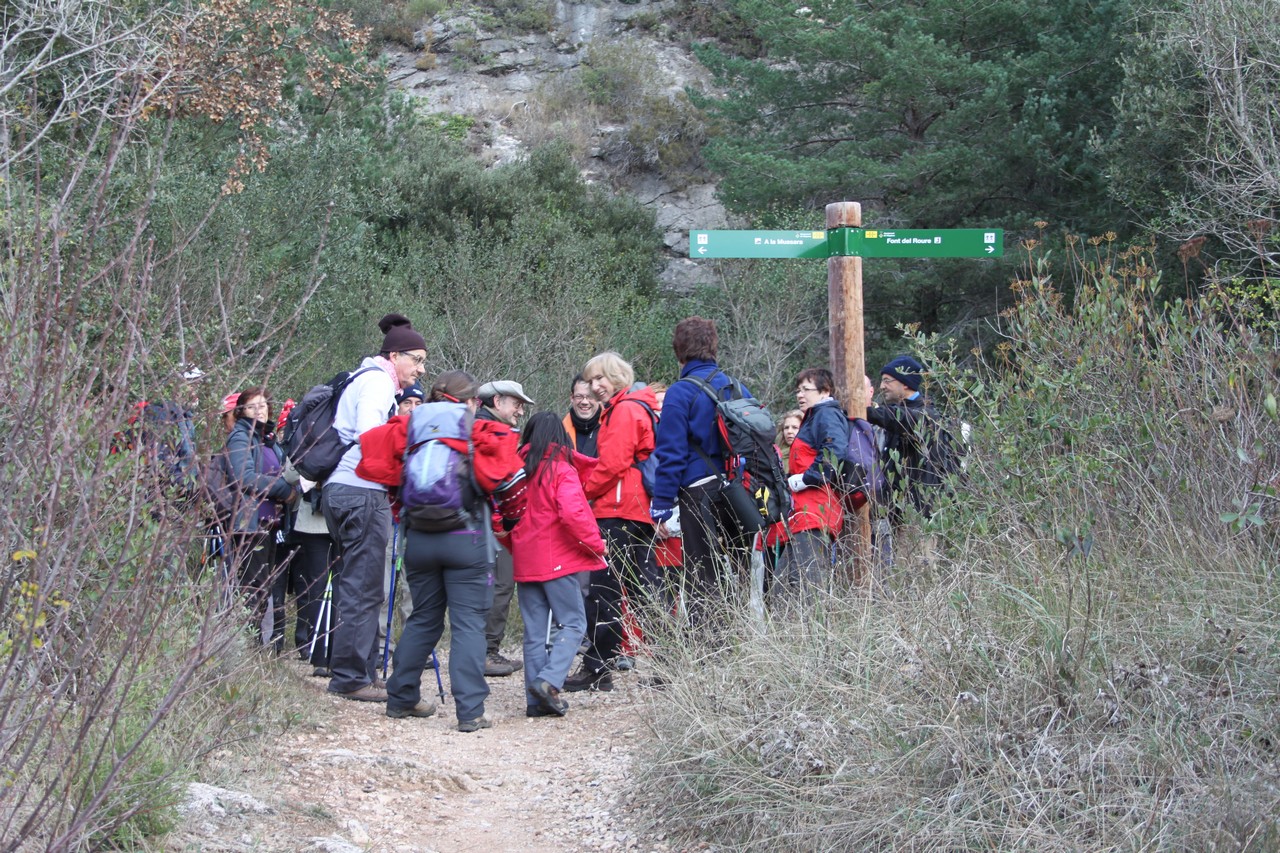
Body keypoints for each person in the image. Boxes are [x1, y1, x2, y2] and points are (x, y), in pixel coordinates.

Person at [373, 370, 527, 730]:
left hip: (419, 541)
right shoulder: (476, 431)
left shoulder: (410, 430)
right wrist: (509, 521)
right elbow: (511, 487)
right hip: (466, 539)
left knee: (423, 618)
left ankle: (401, 697)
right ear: (472, 401)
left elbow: (390, 483)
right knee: (468, 624)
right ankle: (470, 711)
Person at [321, 313, 427, 702]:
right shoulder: (379, 383)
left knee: (359, 584)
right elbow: (371, 436)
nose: (420, 369)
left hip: (343, 489)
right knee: (364, 588)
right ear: (395, 356)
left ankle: (361, 671)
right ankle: (350, 677)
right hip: (361, 491)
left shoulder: (364, 378)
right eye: (416, 360)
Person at [648, 316, 755, 629]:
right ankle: (742, 639)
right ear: (713, 346)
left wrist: (661, 504)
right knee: (739, 569)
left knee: (702, 574)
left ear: (679, 351)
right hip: (738, 491)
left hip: (698, 493)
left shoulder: (680, 393)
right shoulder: (736, 387)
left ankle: (708, 644)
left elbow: (671, 454)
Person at [564, 351, 658, 693]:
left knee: (606, 590)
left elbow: (613, 464)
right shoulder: (633, 406)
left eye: (600, 378)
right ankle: (668, 662)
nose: (595, 386)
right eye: (591, 381)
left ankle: (598, 668)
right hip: (634, 508)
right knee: (641, 589)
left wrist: (582, 494)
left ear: (617, 376)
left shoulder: (625, 410)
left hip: (618, 508)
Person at [512, 412, 605, 716]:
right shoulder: (561, 469)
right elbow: (573, 514)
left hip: (525, 560)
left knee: (535, 633)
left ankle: (536, 703)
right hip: (557, 561)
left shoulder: (517, 471)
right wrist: (596, 544)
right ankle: (550, 682)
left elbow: (505, 517)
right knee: (574, 623)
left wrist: (515, 547)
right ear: (561, 438)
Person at [220, 387, 297, 644]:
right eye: (252, 407)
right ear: (241, 411)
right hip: (249, 524)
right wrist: (282, 489)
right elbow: (243, 478)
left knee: (263, 587)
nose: (259, 411)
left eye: (262, 405)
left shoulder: (265, 439)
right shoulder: (241, 437)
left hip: (269, 524)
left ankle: (255, 648)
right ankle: (245, 647)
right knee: (252, 588)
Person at [476, 379, 536, 677]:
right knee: (498, 586)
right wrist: (504, 524)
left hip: (475, 526)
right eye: (516, 404)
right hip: (489, 527)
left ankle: (482, 651)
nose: (520, 412)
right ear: (497, 402)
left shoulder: (476, 427)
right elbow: (499, 485)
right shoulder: (491, 434)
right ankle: (486, 652)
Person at [864, 356, 943, 568]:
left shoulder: (926, 414)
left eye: (887, 380)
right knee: (902, 570)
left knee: (917, 572)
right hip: (898, 513)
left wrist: (862, 411)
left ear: (906, 383)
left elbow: (900, 418)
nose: (882, 386)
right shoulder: (901, 413)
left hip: (919, 513)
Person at [776, 368, 847, 600]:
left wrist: (806, 479)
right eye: (798, 390)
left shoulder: (826, 414)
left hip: (816, 512)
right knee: (783, 587)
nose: (800, 395)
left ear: (825, 391)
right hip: (805, 513)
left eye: (806, 389)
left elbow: (835, 450)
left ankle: (815, 624)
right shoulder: (815, 416)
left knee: (809, 587)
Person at [562, 373, 601, 456]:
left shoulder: (611, 426)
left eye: (590, 396)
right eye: (579, 396)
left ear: (598, 398)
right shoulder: (560, 432)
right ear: (572, 397)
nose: (584, 402)